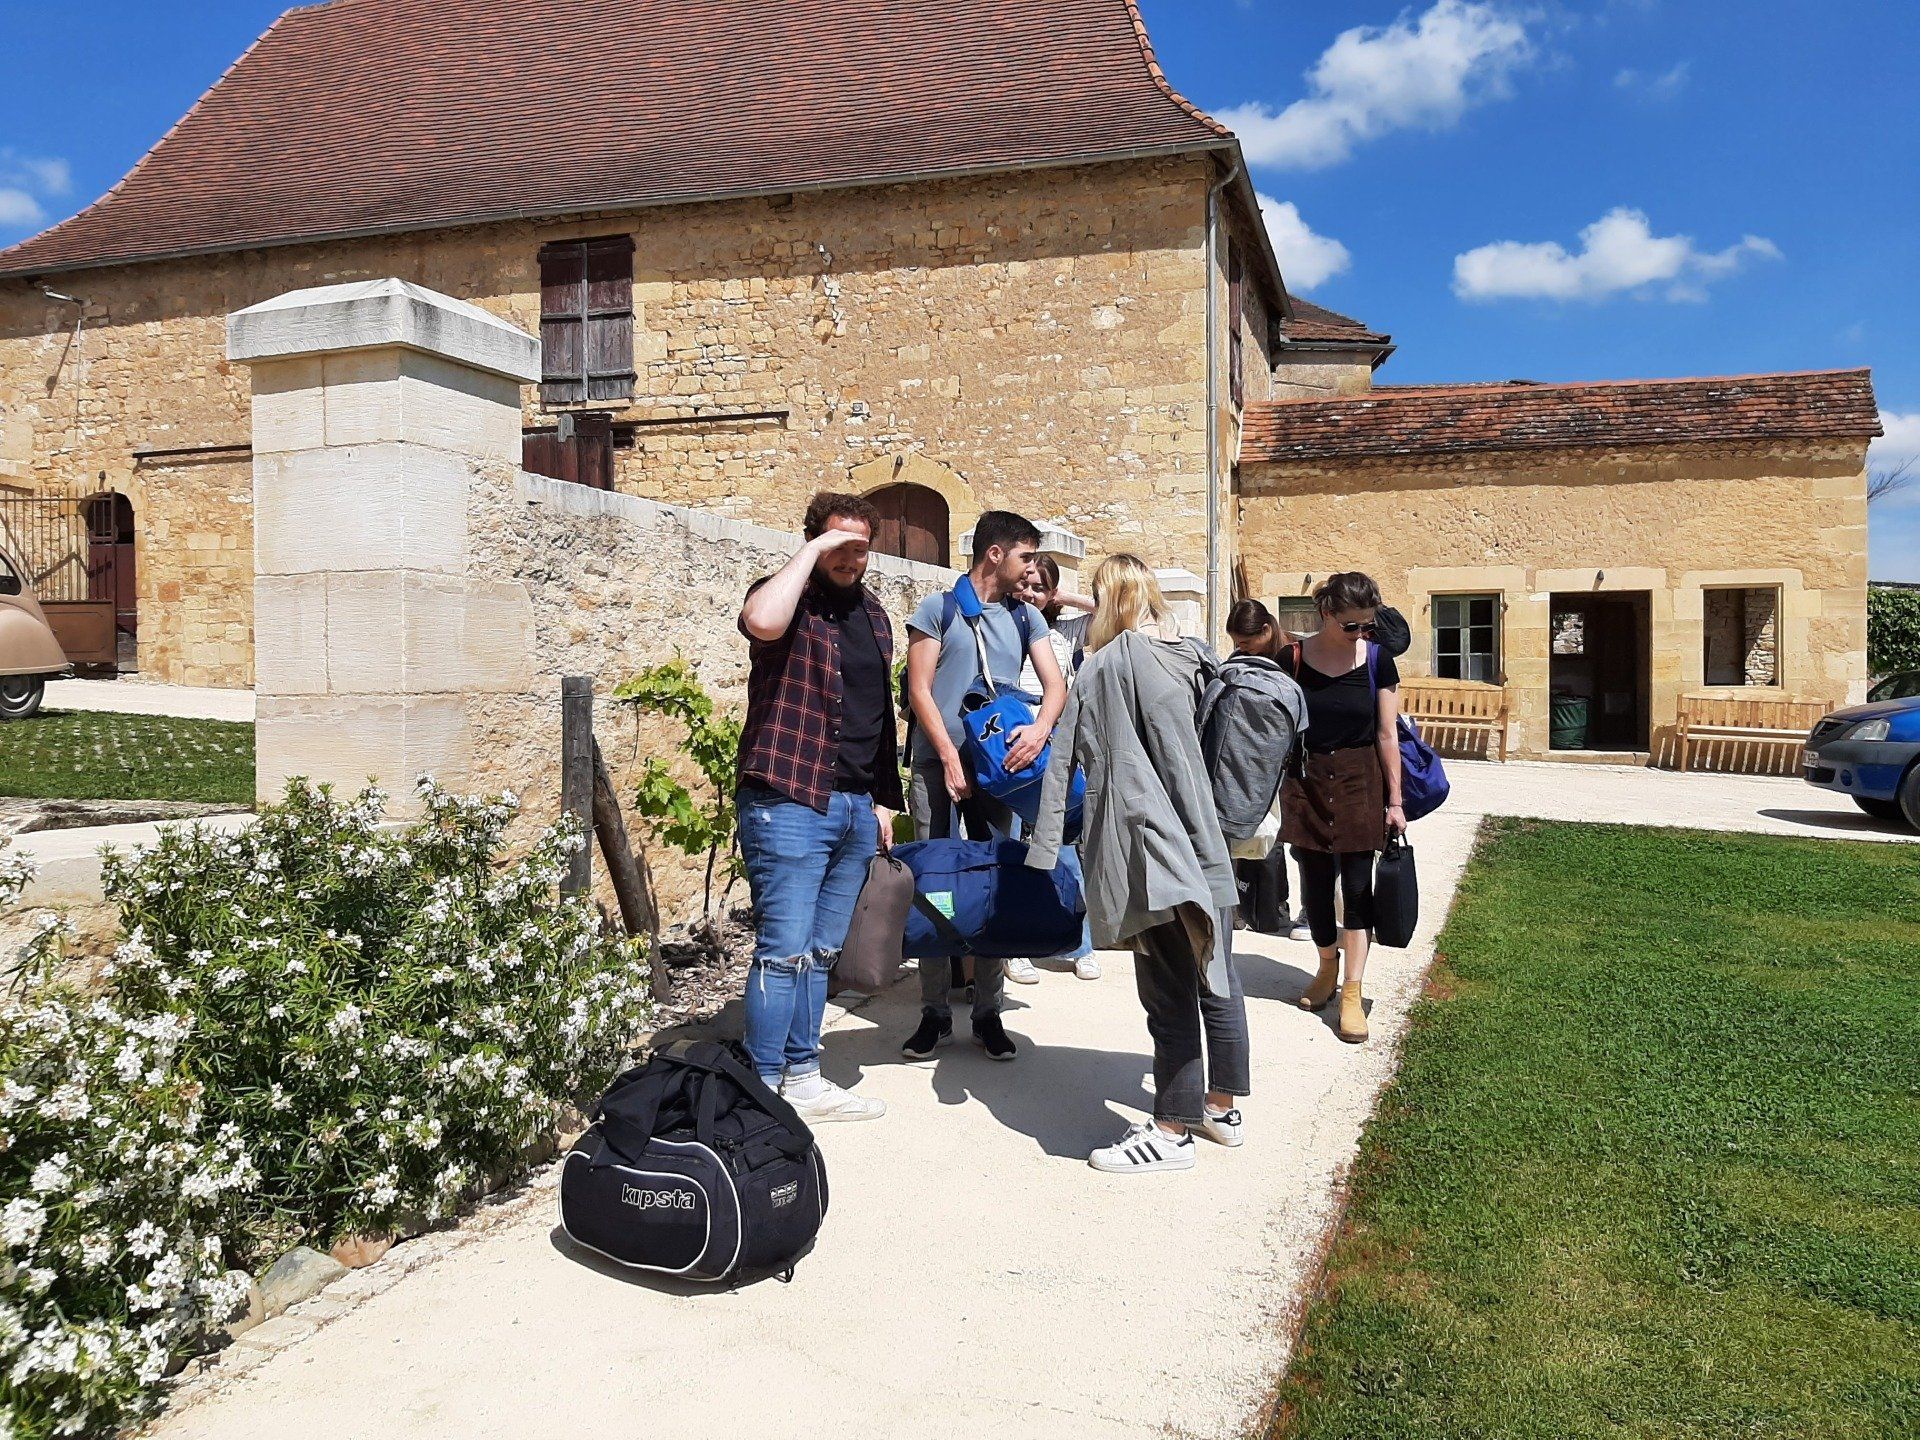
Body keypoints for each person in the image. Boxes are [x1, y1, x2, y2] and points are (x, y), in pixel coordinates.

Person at [1027, 555, 1247, 1174]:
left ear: (1111, 600)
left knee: (1167, 986)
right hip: (1209, 844)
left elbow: (1061, 760)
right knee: (1217, 976)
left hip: (1152, 848)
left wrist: (1044, 850)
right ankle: (1221, 1108)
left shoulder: (1103, 668)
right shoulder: (1198, 658)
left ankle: (1171, 1131)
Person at [734, 491, 897, 1122]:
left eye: (860, 548)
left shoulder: (875, 615)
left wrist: (883, 802)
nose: (849, 559)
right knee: (783, 949)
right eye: (836, 546)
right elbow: (761, 623)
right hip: (789, 796)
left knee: (822, 952)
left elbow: (877, 713)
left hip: (854, 805)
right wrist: (812, 553)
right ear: (812, 542)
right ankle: (760, 1091)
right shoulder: (785, 597)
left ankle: (802, 1076)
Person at [900, 510, 1068, 1062]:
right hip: (937, 766)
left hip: (999, 769)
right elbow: (919, 690)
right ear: (995, 554)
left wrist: (1039, 730)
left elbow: (1054, 686)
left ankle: (988, 1011)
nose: (1031, 570)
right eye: (1025, 557)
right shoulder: (938, 609)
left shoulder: (1026, 617)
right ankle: (933, 1012)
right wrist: (949, 757)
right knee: (931, 884)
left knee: (997, 881)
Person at [1277, 571, 1406, 1045]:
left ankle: (1353, 990)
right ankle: (1326, 967)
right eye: (1351, 625)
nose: (1360, 633)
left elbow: (1387, 735)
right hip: (1307, 780)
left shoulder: (1378, 660)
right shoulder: (1291, 658)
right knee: (1313, 888)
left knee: (1356, 888)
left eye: (1367, 625)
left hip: (1359, 779)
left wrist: (1396, 801)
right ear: (1326, 613)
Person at [1015, 554, 1101, 981]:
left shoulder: (1065, 630)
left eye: (1040, 587)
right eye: (1025, 584)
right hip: (1011, 745)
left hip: (1055, 746)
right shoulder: (1004, 623)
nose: (1031, 594)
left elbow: (1109, 613)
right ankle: (1013, 948)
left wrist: (1064, 596)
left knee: (1065, 849)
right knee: (1011, 847)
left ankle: (1080, 944)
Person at [1224, 600, 1313, 943]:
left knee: (1301, 840)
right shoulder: (1240, 660)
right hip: (1255, 762)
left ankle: (1309, 910)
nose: (1240, 648)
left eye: (1246, 642)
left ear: (1266, 630)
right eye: (1237, 643)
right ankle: (1268, 905)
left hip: (1294, 761)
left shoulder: (1296, 656)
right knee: (1262, 837)